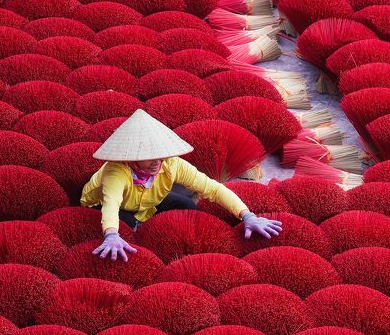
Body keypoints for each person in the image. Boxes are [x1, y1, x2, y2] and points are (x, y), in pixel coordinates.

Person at [80, 108, 282, 261]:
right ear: (133, 156)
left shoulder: (171, 164)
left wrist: (247, 215)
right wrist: (112, 235)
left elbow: (212, 188)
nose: (157, 162)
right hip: (104, 205)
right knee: (131, 228)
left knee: (189, 207)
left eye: (161, 155)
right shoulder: (116, 172)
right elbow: (111, 204)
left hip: (148, 200)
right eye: (150, 157)